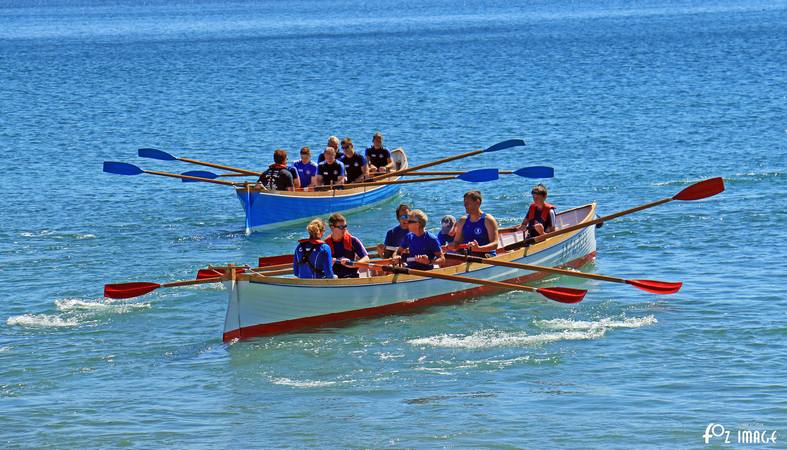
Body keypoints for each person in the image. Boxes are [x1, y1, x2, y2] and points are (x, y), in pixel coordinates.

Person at [450, 190, 499, 257]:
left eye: (467, 203)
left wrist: (479, 248)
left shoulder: (488, 220)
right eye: (464, 203)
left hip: (485, 254)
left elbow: (495, 244)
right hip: (468, 254)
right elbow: (457, 241)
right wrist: (452, 245)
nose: (465, 205)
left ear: (477, 202)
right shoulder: (462, 221)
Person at [324, 213, 369, 278]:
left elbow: (366, 259)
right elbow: (320, 265)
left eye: (345, 226)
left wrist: (353, 264)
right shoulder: (325, 244)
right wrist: (329, 262)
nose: (344, 229)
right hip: (334, 279)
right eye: (341, 227)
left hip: (352, 277)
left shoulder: (353, 240)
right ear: (332, 227)